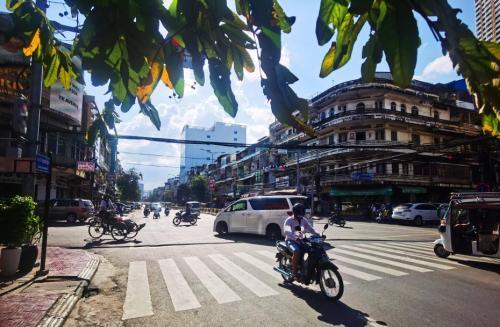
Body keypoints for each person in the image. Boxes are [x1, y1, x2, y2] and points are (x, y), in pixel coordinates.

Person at [284, 203, 319, 281]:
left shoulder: (303, 220)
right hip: (290, 240)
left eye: (301, 213)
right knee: (297, 251)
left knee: (312, 250)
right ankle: (294, 272)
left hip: (301, 241)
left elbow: (310, 229)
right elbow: (287, 232)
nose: (300, 215)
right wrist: (295, 238)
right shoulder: (289, 220)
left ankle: (306, 267)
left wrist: (317, 234)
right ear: (295, 212)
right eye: (298, 213)